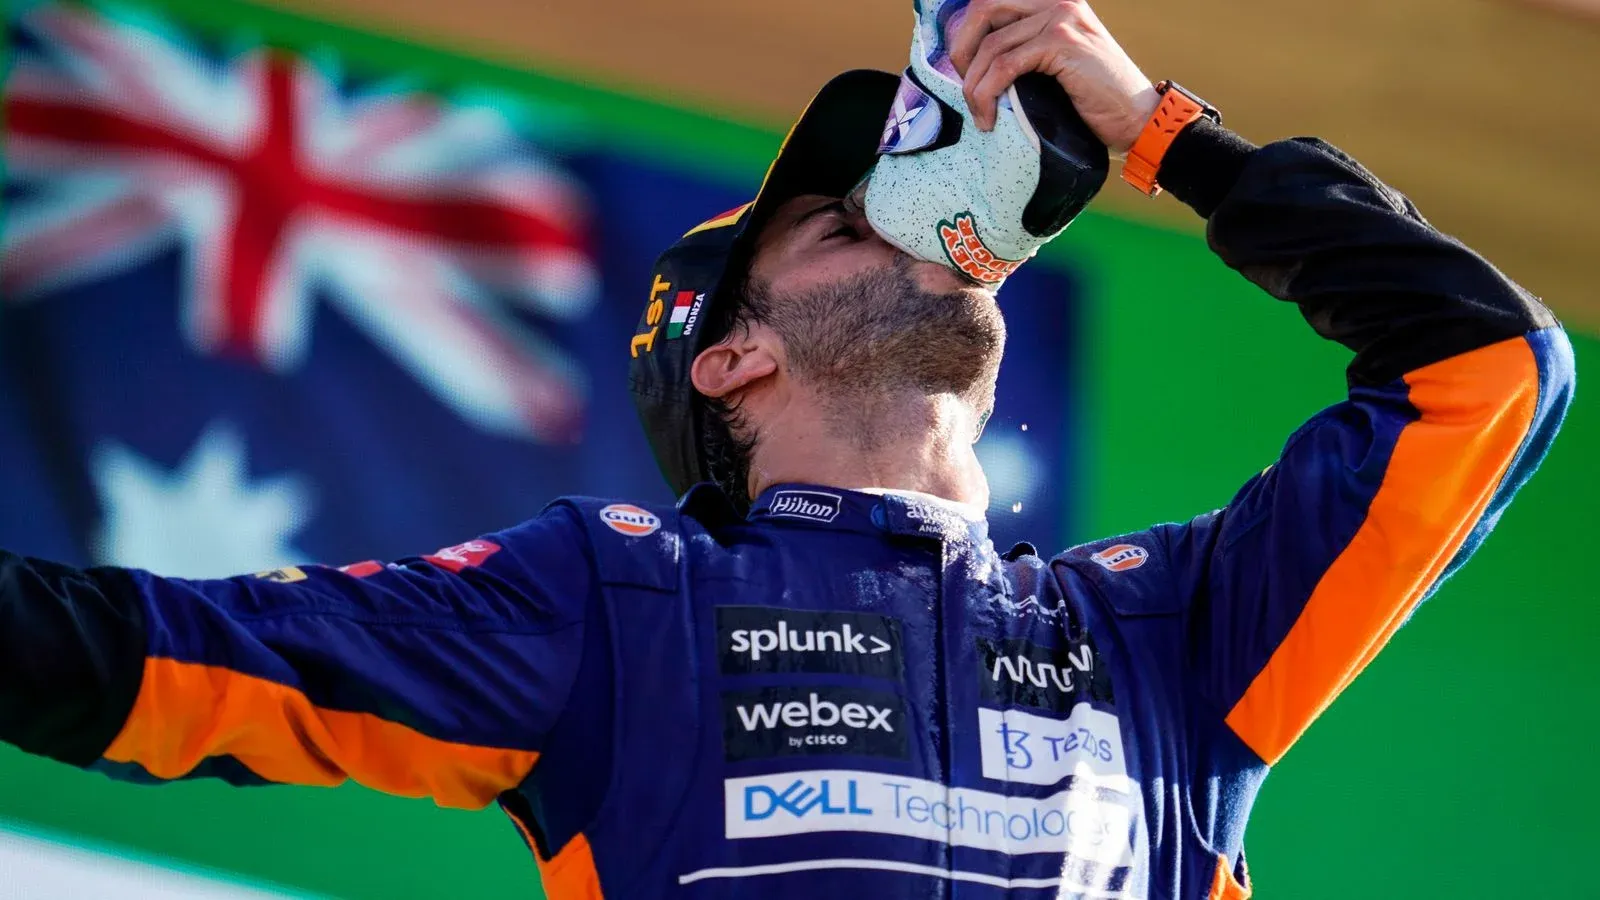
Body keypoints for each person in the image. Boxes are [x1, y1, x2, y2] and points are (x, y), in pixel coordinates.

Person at [0, 0, 1574, 897]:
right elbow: (125, 658)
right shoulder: (615, 612)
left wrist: (1169, 135)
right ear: (734, 357)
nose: (920, 227)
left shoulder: (1168, 635)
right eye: (838, 217)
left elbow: (1488, 369)